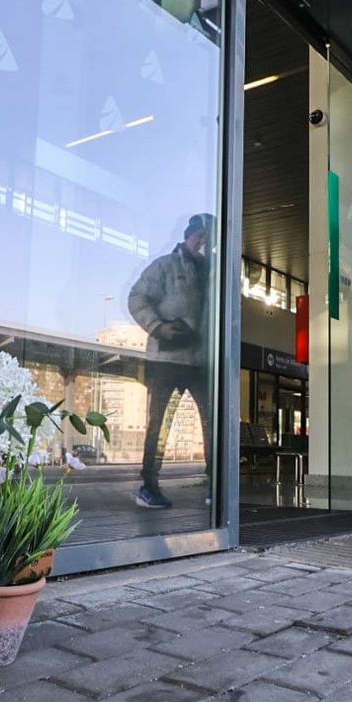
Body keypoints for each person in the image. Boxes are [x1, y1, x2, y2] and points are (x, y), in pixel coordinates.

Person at [128, 213, 213, 509]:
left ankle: (216, 484)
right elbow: (137, 297)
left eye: (208, 237)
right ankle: (148, 487)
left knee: (211, 423)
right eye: (199, 235)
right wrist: (158, 327)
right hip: (166, 359)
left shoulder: (215, 275)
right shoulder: (164, 266)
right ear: (188, 236)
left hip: (202, 362)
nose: (203, 242)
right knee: (159, 423)